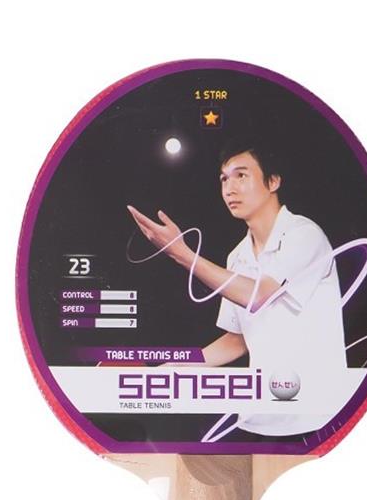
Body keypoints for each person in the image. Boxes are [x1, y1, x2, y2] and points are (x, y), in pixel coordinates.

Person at [126, 137, 347, 436]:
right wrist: (173, 370)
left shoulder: (304, 235)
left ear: (273, 181)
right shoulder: (237, 256)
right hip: (259, 417)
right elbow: (237, 340)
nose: (229, 188)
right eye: (224, 179)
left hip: (316, 416)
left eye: (241, 176)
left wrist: (182, 254)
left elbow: (260, 295)